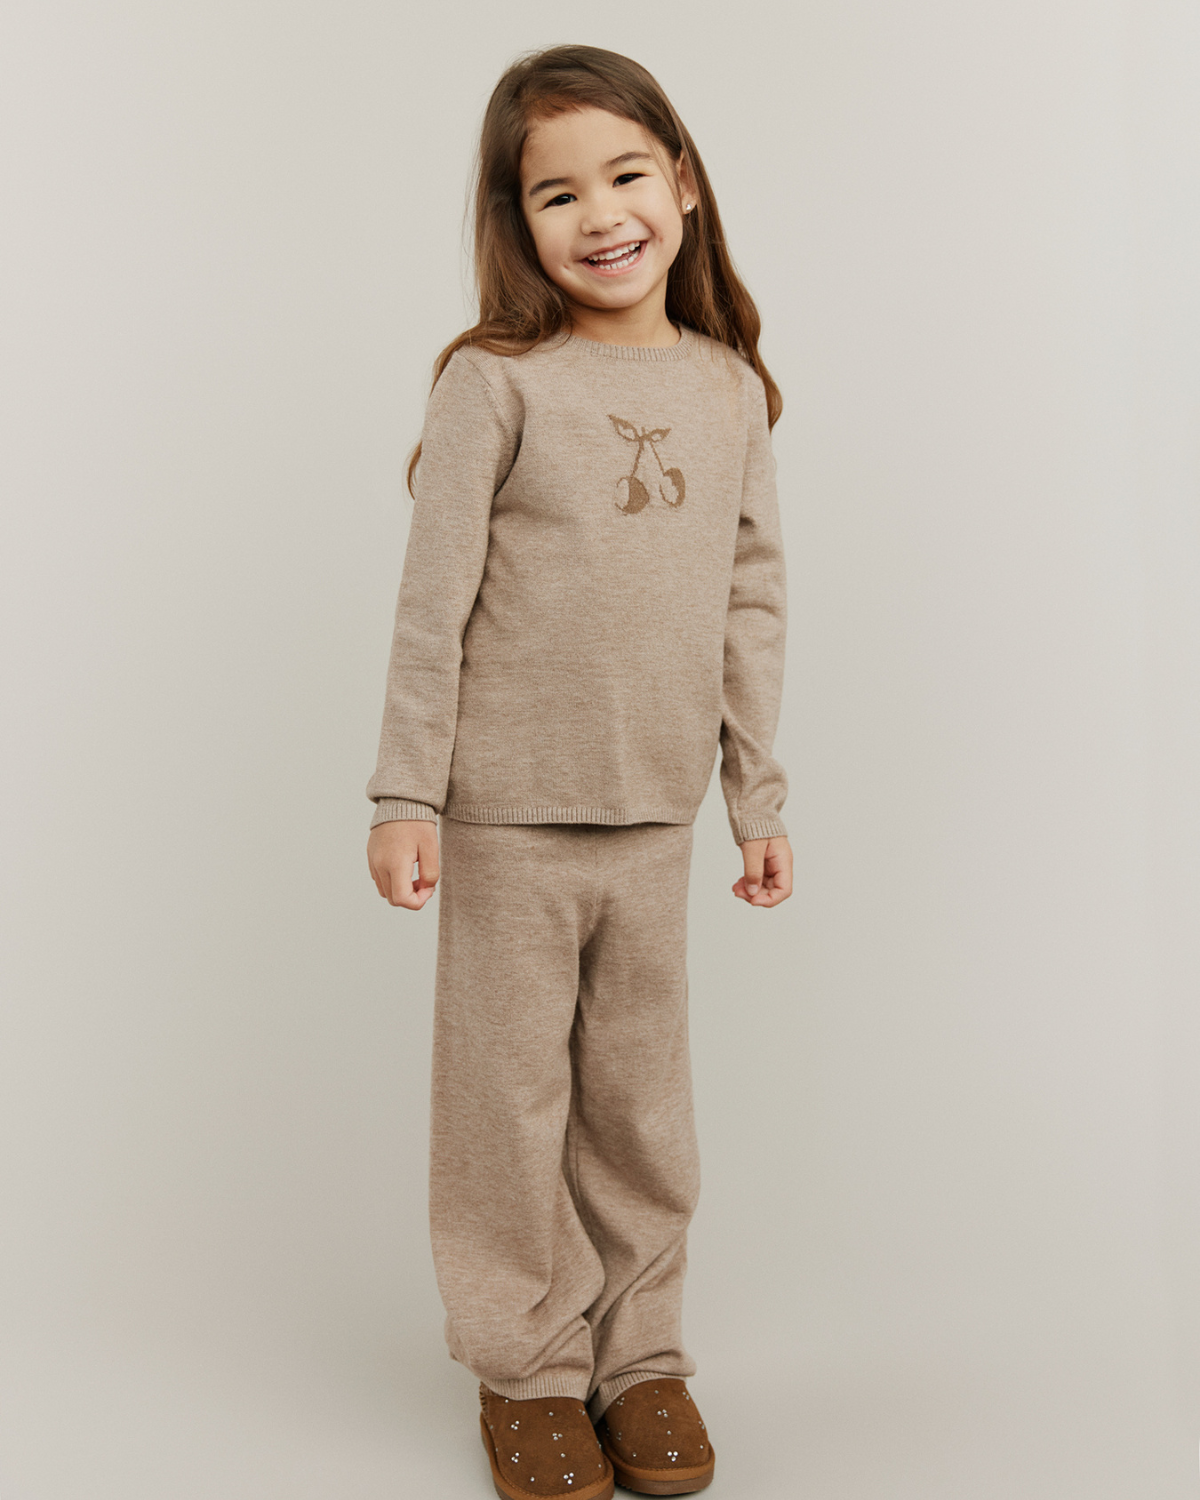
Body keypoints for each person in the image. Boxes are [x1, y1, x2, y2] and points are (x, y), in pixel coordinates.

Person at [366, 44, 790, 1500]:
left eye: (625, 176)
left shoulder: (730, 391)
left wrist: (756, 795)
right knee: (506, 1107)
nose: (601, 215)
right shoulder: (494, 386)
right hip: (506, 817)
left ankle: (641, 1356)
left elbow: (752, 602)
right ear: (517, 220)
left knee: (639, 1110)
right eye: (557, 194)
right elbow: (432, 607)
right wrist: (405, 795)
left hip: (656, 816)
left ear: (683, 183)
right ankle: (529, 1370)